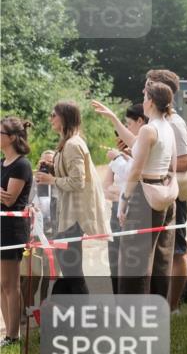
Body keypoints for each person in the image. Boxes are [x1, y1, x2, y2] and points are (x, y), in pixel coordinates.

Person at [34, 101, 110, 294]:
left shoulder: (73, 145)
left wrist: (52, 179)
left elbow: (78, 182)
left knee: (72, 273)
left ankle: (84, 316)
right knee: (71, 272)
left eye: (54, 114)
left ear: (65, 118)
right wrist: (52, 171)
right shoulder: (68, 143)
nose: (50, 118)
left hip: (73, 216)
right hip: (67, 215)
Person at [116, 82, 178, 296]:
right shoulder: (167, 126)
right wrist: (114, 120)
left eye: (144, 97)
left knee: (134, 261)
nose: (142, 101)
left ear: (150, 101)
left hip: (145, 197)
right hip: (164, 194)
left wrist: (123, 202)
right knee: (161, 258)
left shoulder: (148, 129)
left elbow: (135, 171)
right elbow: (172, 164)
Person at [103, 104, 147, 293]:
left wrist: (120, 160)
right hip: (116, 211)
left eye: (128, 125)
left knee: (132, 261)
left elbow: (138, 181)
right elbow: (105, 189)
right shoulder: (119, 156)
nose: (125, 132)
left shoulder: (140, 154)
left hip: (135, 211)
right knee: (114, 260)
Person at [1, 117, 33, 346]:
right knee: (1, 284)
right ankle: (9, 334)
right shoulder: (3, 162)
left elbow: (10, 199)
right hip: (1, 227)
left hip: (12, 230)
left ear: (11, 137)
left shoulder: (21, 165)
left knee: (10, 284)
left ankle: (13, 335)